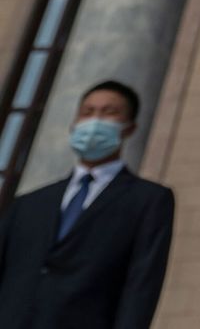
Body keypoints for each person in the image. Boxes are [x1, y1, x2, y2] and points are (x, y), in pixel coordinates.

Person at [0, 80, 174, 329]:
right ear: (74, 124)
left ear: (129, 127)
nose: (95, 121)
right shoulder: (29, 204)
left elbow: (142, 284)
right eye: (88, 112)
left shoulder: (149, 200)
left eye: (109, 112)